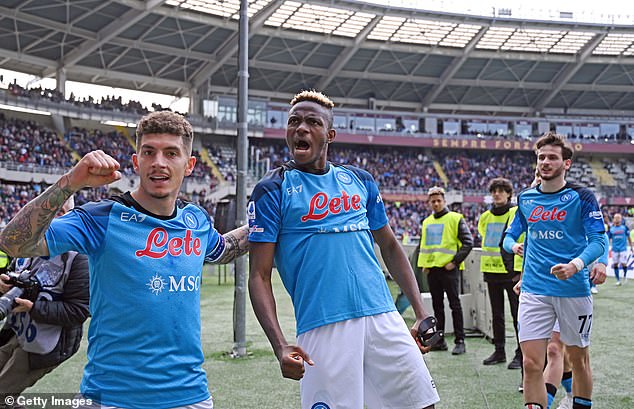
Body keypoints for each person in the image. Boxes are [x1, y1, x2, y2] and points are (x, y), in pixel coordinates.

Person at [0, 111, 249, 409]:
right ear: (136, 161)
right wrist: (70, 183)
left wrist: (268, 223)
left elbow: (223, 249)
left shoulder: (196, 219)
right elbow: (12, 243)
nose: (159, 161)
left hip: (190, 396)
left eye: (171, 153)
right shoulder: (101, 217)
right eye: (149, 152)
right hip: (112, 398)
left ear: (190, 165)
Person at [248, 90, 440, 409]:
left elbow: (390, 246)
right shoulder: (272, 189)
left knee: (421, 404)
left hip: (383, 315)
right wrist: (279, 345)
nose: (301, 128)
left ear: (330, 134)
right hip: (323, 326)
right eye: (294, 121)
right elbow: (259, 275)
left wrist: (421, 312)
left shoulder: (359, 180)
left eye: (313, 122)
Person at [504, 132, 606, 409]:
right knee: (531, 362)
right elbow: (512, 237)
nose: (545, 162)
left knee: (578, 359)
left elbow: (598, 240)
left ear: (567, 163)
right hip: (534, 290)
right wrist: (516, 251)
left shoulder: (581, 197)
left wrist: (576, 265)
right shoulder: (525, 199)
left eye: (552, 157)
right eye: (541, 157)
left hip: (573, 289)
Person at [0, 196, 89, 404]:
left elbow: (78, 311)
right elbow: (16, 278)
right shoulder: (27, 246)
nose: (48, 218)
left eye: (58, 212)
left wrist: (33, 307)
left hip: (48, 343)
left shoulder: (79, 258)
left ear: (70, 216)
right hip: (17, 331)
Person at [541, 244, 607, 409]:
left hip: (575, 290)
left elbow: (600, 235)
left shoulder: (585, 217)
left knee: (574, 356)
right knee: (555, 350)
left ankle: (574, 396)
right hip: (547, 288)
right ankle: (568, 395)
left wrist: (603, 263)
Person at [418, 186, 473, 355]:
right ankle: (439, 341)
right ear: (429, 203)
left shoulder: (455, 218)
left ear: (444, 201)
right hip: (433, 270)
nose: (435, 204)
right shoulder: (427, 221)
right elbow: (425, 246)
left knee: (454, 305)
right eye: (432, 201)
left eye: (438, 201)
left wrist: (454, 262)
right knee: (437, 307)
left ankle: (460, 341)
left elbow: (468, 242)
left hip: (449, 270)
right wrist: (425, 264)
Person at [478, 177, 522, 369]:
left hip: (511, 271)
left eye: (501, 190)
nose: (497, 194)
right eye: (494, 190)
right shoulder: (485, 217)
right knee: (496, 314)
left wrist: (517, 270)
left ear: (509, 194)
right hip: (491, 270)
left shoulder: (515, 212)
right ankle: (499, 351)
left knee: (517, 314)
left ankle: (521, 354)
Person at [607, 213, 632, 286]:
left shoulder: (624, 228)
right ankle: (618, 280)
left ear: (621, 219)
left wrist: (631, 247)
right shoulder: (611, 229)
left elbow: (629, 237)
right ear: (614, 219)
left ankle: (625, 276)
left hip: (623, 249)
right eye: (615, 218)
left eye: (618, 218)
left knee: (624, 263)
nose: (617, 219)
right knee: (615, 264)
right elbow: (608, 239)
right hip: (614, 249)